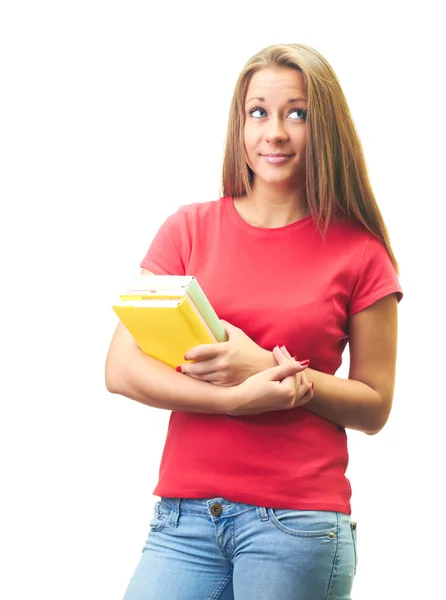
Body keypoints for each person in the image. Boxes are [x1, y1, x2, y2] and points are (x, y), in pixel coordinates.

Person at [105, 42, 403, 600]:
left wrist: (268, 368)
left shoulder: (360, 253)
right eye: (258, 112)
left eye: (298, 113)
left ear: (326, 129)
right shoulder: (187, 230)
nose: (275, 132)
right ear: (239, 126)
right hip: (183, 520)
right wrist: (233, 398)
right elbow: (121, 367)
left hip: (295, 523)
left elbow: (375, 406)